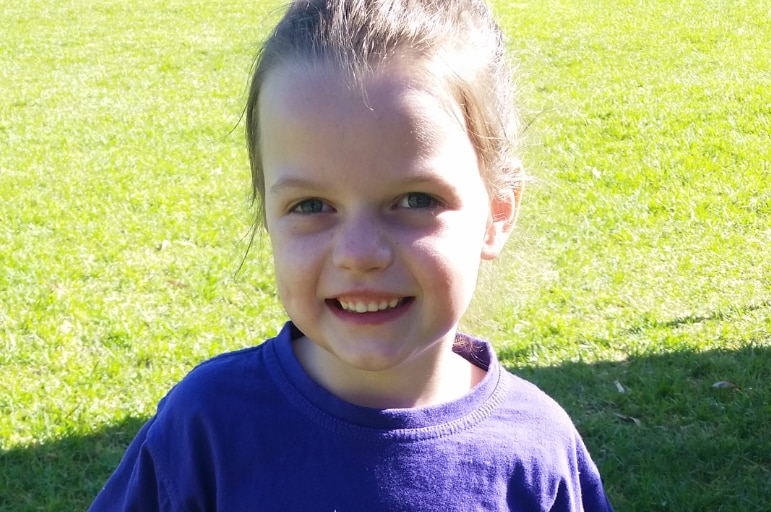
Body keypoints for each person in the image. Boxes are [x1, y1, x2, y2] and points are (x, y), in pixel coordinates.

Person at [90, 0, 614, 510]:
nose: (360, 254)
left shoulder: (536, 453)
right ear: (267, 214)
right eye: (312, 205)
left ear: (497, 213)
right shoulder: (205, 429)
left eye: (415, 200)